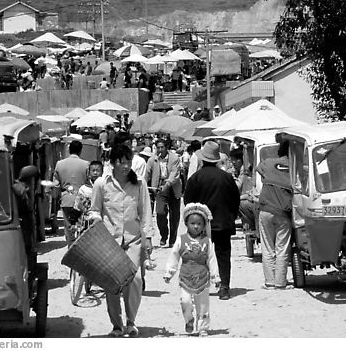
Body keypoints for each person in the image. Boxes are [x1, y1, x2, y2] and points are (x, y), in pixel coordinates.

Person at [88, 144, 154, 337]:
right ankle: (116, 325)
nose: (125, 166)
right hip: (109, 242)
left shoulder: (139, 184)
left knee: (135, 279)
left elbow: (146, 213)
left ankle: (131, 321)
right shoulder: (101, 183)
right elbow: (94, 209)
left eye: (128, 162)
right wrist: (97, 220)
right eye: (121, 162)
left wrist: (148, 237)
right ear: (113, 163)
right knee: (112, 284)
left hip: (133, 241)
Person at [184, 141, 240, 300]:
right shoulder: (227, 177)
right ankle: (224, 287)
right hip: (223, 223)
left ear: (203, 159)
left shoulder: (195, 178)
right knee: (223, 256)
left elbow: (188, 202)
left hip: (201, 225)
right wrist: (232, 215)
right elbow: (235, 200)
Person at [164, 203, 220, 337]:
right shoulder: (181, 240)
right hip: (185, 278)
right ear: (186, 224)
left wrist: (215, 277)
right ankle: (189, 319)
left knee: (203, 305)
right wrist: (169, 272)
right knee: (185, 301)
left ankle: (203, 328)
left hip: (203, 278)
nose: (196, 226)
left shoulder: (207, 242)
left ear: (204, 225)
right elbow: (174, 256)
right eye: (192, 223)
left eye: (199, 223)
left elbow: (212, 260)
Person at [255, 137, 293, 290]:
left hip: (265, 210)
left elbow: (258, 168)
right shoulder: (297, 168)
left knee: (267, 247)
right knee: (282, 248)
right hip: (283, 213)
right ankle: (280, 283)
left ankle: (269, 282)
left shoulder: (269, 163)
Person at [146, 139, 183, 248]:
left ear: (166, 147)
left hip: (173, 187)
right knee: (160, 212)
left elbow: (174, 173)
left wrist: (166, 185)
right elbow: (147, 173)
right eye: (158, 148)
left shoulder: (174, 158)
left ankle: (173, 239)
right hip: (158, 188)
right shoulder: (152, 160)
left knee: (174, 215)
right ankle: (164, 234)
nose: (160, 150)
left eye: (162, 147)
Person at [53, 140, 89, 244]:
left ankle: (70, 246)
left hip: (66, 199)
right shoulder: (86, 164)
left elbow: (56, 184)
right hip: (82, 199)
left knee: (69, 226)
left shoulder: (59, 164)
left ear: (69, 150)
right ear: (81, 151)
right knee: (82, 225)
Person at [229, 148, 257, 236]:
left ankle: (249, 227)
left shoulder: (243, 170)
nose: (233, 162)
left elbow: (238, 186)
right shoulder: (240, 169)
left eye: (234, 160)